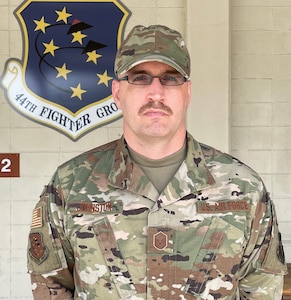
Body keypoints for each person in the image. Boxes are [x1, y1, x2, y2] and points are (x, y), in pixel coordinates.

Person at [27, 24, 287, 300]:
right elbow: (49, 285)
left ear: (187, 92)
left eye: (170, 78)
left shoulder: (243, 187)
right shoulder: (71, 185)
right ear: (117, 93)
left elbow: (261, 288)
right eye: (139, 78)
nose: (155, 93)